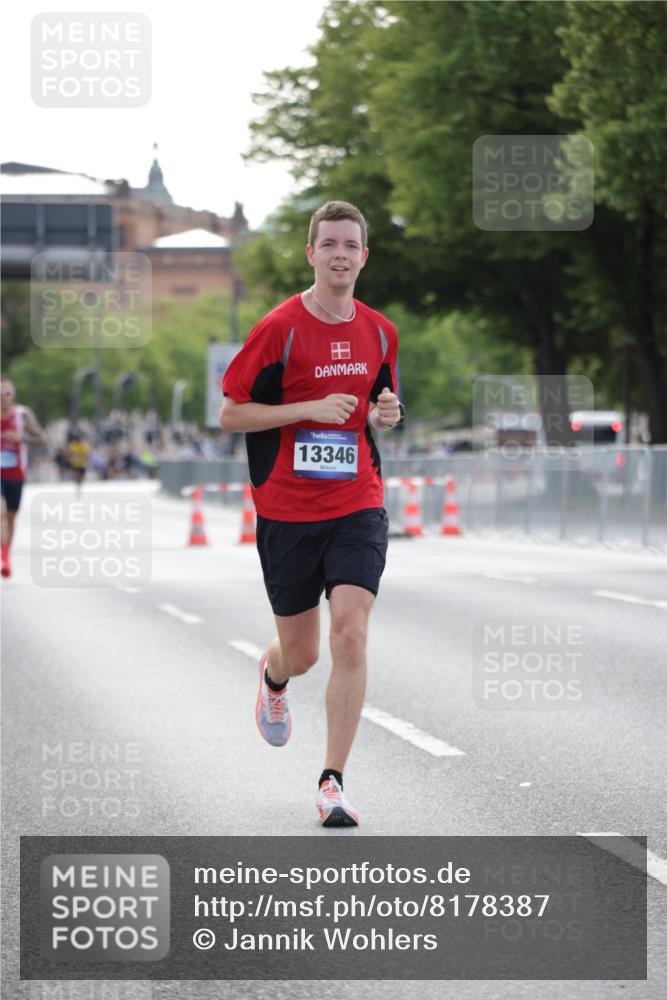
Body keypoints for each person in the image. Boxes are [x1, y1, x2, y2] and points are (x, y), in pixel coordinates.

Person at [220, 201, 404, 827]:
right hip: (286, 509)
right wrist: (304, 410)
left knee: (349, 632)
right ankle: (274, 680)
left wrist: (386, 414)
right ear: (311, 254)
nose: (340, 254)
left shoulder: (380, 330)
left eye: (350, 245)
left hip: (357, 499)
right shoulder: (280, 327)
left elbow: (382, 399)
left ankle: (333, 782)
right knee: (302, 655)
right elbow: (232, 413)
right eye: (328, 244)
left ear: (364, 256)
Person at [1, 375, 48, 578]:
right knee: (1, 513)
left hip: (15, 473)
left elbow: (43, 440)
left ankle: (6, 554)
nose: (3, 397)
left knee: (10, 517)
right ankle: (4, 556)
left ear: (13, 394)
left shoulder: (23, 415)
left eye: (7, 392)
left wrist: (22, 438)